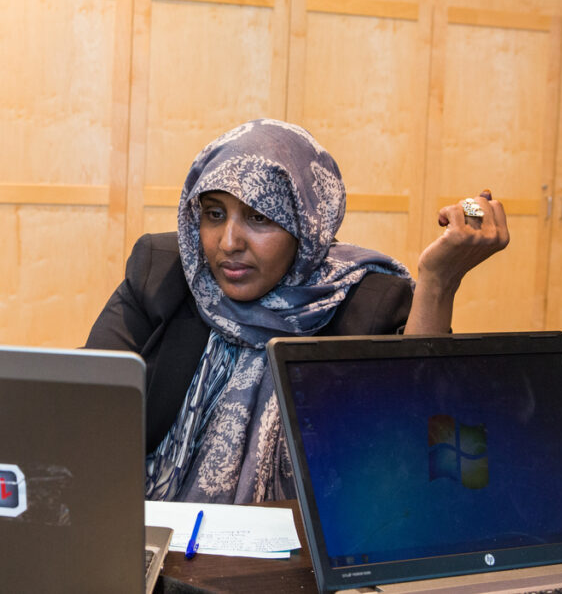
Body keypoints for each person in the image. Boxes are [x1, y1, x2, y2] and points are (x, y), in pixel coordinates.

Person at [85, 119, 509, 504]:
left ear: (305, 225)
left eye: (259, 217)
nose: (228, 241)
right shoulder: (166, 273)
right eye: (214, 213)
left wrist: (439, 282)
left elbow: (427, 458)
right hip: (147, 537)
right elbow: (82, 407)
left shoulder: (365, 303)